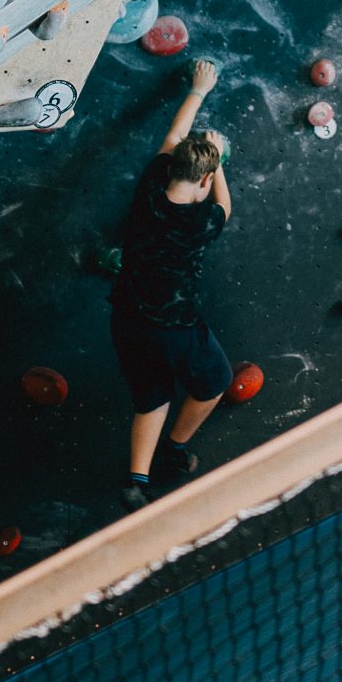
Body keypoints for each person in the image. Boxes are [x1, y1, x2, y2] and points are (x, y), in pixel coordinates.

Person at [109, 58, 234, 509]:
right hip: (175, 329)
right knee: (215, 382)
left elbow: (173, 137)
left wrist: (198, 90)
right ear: (204, 179)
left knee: (152, 395)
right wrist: (218, 160)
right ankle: (174, 449)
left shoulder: (149, 189)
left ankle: (136, 481)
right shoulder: (203, 221)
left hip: (127, 318)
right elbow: (225, 205)